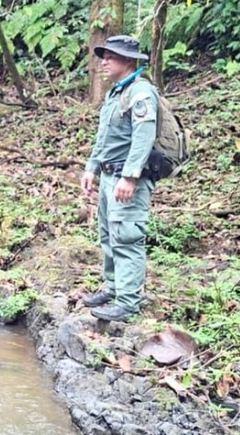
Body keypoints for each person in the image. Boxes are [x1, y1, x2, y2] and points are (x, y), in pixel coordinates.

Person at [80, 35, 159, 323]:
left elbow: (143, 137)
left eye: (110, 56)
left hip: (127, 181)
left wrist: (130, 176)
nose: (103, 62)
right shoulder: (117, 93)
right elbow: (105, 138)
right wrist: (92, 167)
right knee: (108, 236)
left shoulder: (141, 92)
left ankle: (127, 302)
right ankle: (113, 288)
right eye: (103, 56)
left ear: (127, 60)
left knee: (127, 238)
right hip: (108, 176)